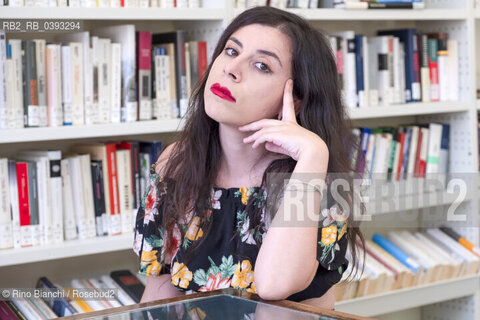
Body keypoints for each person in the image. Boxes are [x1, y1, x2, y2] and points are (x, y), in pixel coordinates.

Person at [133, 6, 363, 310]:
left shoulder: (316, 177)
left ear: (295, 99)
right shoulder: (175, 163)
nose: (232, 69)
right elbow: (159, 299)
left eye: (261, 66)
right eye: (231, 51)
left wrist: (313, 153)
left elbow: (274, 286)